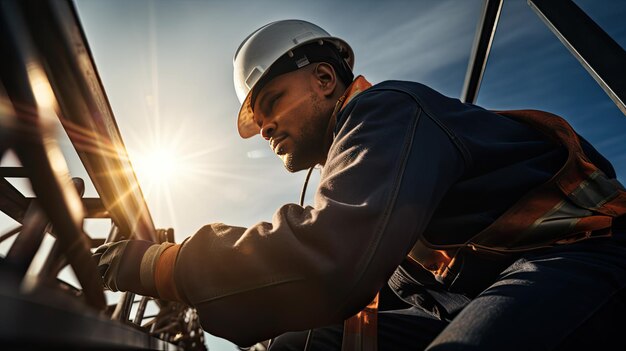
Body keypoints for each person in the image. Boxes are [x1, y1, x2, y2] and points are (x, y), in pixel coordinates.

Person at [94, 20, 626, 350]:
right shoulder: (360, 164)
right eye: (258, 119)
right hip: (476, 292)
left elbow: (332, 258)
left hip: (584, 259)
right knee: (303, 346)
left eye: (272, 102)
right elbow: (359, 291)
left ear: (325, 79)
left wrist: (158, 264)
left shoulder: (387, 112)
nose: (266, 128)